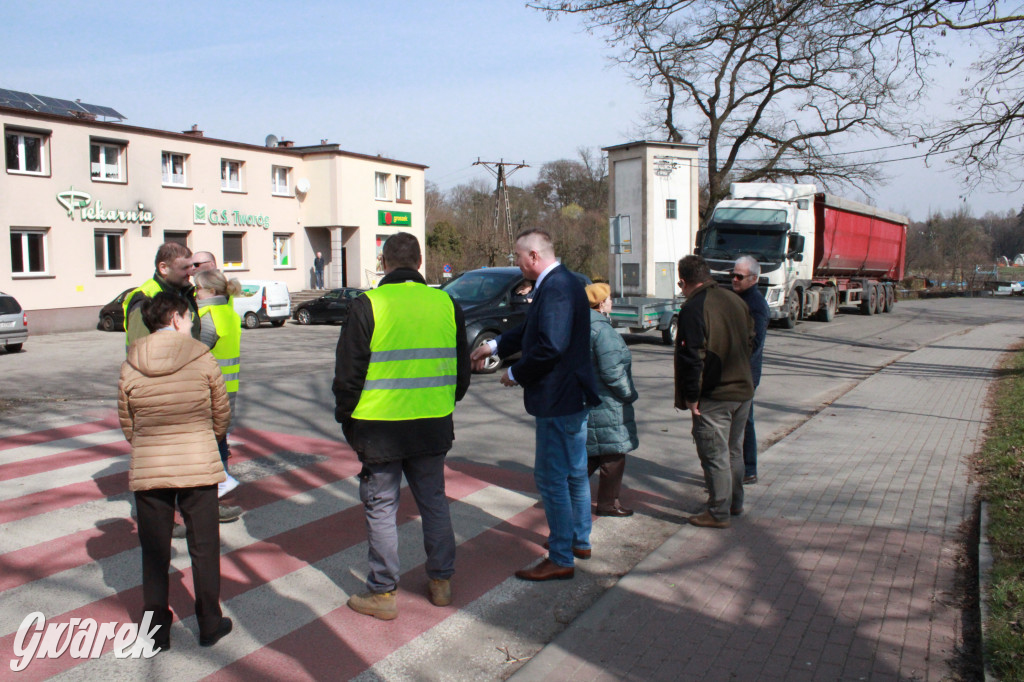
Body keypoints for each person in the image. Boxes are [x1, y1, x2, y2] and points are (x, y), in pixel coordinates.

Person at [333, 232, 470, 620]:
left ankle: (382, 591)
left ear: (385, 262)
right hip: (432, 422)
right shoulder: (446, 302)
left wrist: (346, 417)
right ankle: (441, 582)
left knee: (381, 507)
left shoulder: (369, 304)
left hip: (379, 426)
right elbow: (460, 370)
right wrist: (445, 401)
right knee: (434, 502)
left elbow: (348, 374)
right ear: (421, 261)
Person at [470, 229, 600, 581]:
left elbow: (550, 346)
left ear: (533, 257)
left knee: (551, 477)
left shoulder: (556, 286)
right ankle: (578, 540)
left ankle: (560, 556)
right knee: (574, 472)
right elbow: (532, 329)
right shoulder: (565, 281)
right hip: (569, 395)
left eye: (517, 257)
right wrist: (494, 346)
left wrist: (515, 371)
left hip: (558, 397)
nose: (515, 263)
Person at [118, 293, 233, 651]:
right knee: (205, 546)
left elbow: (128, 422)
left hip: (151, 468)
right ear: (179, 319)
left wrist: (149, 444)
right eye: (189, 318)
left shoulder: (131, 363)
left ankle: (156, 632)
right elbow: (221, 415)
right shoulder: (203, 358)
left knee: (154, 552)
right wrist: (204, 440)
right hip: (198, 464)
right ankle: (210, 623)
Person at [675, 255, 754, 529]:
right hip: (742, 390)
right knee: (733, 451)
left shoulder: (694, 308)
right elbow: (751, 341)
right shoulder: (735, 300)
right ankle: (734, 503)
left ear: (684, 281)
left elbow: (692, 356)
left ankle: (718, 511)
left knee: (714, 454)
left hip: (714, 395)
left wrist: (691, 396)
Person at [584, 282, 639, 517]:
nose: (612, 301)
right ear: (601, 304)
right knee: (613, 454)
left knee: (594, 452)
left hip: (590, 398)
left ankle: (564, 492)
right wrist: (629, 394)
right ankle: (607, 503)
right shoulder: (602, 331)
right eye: (609, 298)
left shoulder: (582, 324)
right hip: (608, 401)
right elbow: (612, 372)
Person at [194, 268, 245, 506]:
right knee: (220, 438)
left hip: (208, 389)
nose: (195, 293)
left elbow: (194, 355)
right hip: (228, 386)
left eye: (198, 289)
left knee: (209, 442)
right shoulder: (228, 313)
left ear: (211, 291)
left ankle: (217, 486)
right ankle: (220, 485)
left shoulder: (207, 317)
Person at [731, 256, 769, 485]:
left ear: (753, 279)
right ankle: (743, 469)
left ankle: (749, 469)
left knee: (745, 422)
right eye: (733, 275)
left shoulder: (755, 305)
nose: (734, 280)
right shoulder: (738, 298)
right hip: (738, 373)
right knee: (741, 422)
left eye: (739, 276)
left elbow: (754, 345)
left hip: (744, 374)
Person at [123, 242, 200, 348]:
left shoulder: (185, 293)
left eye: (191, 266)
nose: (191, 272)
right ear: (163, 268)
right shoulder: (146, 299)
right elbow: (141, 353)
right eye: (184, 268)